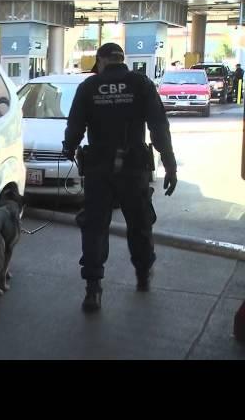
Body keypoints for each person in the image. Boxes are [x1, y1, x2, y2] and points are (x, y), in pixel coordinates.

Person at [62, 43, 178, 313]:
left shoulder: (89, 87)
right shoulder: (141, 84)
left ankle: (93, 289)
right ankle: (142, 275)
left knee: (94, 227)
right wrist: (169, 162)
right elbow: (159, 125)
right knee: (139, 222)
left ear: (102, 61)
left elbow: (75, 125)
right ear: (121, 60)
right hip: (133, 168)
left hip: (98, 170)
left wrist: (69, 147)